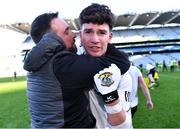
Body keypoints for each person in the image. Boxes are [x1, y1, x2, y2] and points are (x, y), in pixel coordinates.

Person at [23, 12, 130, 128]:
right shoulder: (62, 64)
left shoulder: (40, 61)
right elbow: (121, 62)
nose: (73, 34)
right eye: (67, 31)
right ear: (51, 41)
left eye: (101, 32)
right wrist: (102, 40)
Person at [79, 3, 133, 128]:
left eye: (102, 33)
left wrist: (110, 95)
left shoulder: (122, 73)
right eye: (88, 32)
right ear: (80, 36)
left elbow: (123, 126)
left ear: (110, 37)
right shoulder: (70, 58)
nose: (95, 39)